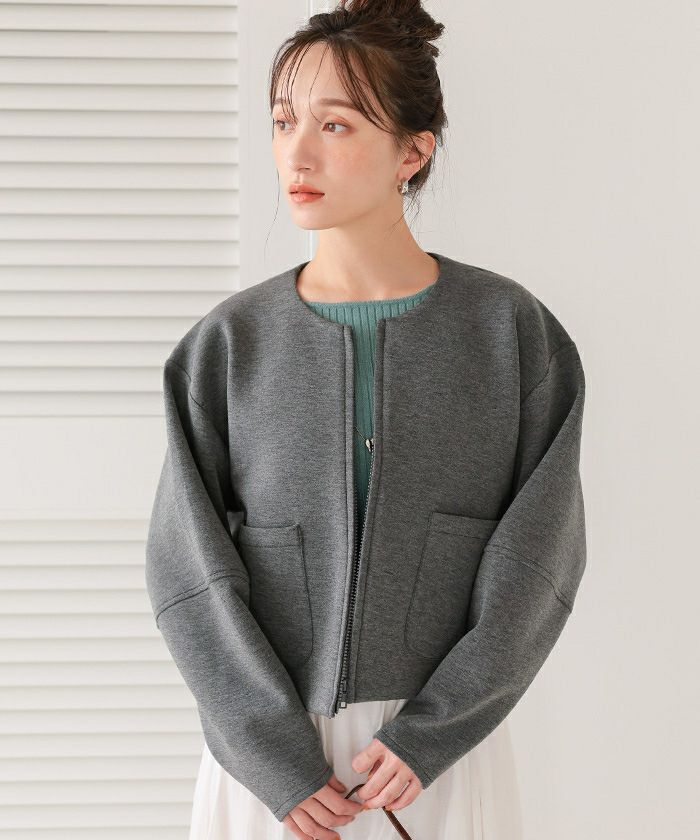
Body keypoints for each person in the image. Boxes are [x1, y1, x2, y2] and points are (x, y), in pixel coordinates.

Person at [145, 2, 586, 839]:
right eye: (284, 122)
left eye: (337, 125)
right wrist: (273, 756)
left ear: (412, 151)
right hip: (271, 767)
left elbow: (540, 559)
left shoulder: (510, 334)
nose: (297, 154)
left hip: (432, 764)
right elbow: (186, 571)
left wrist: (435, 733)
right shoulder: (227, 347)